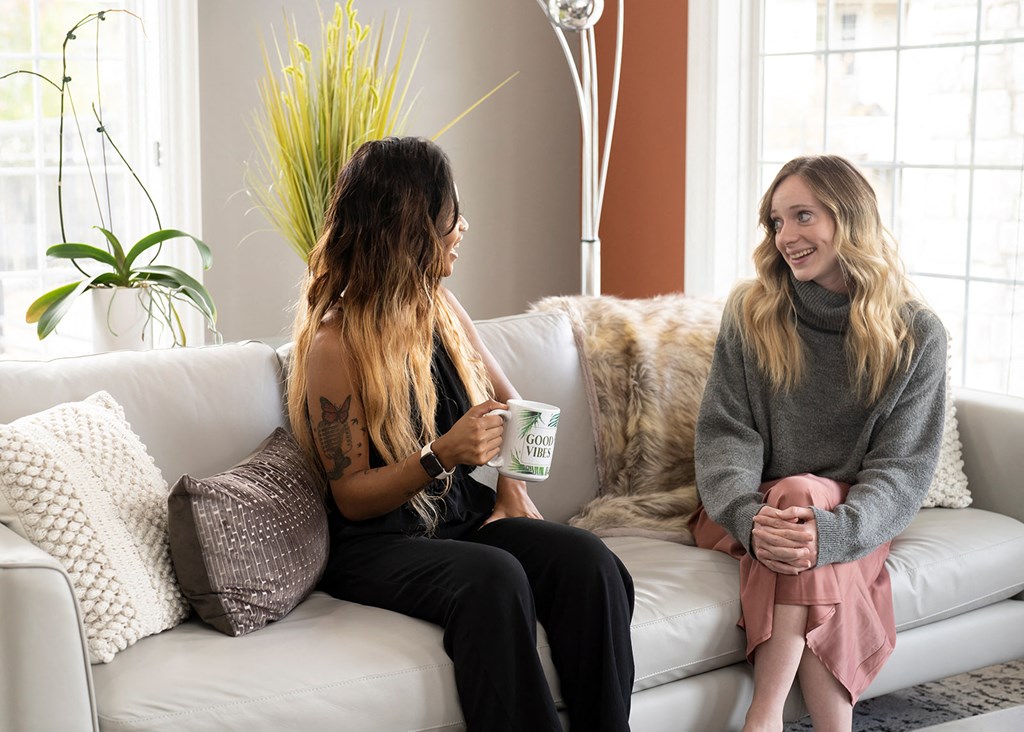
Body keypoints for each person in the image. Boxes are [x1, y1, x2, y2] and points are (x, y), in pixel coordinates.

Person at [287, 136, 635, 732]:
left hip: (465, 523)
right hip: (378, 546)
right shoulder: (334, 345)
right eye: (451, 217)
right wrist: (439, 455)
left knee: (590, 562)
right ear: (410, 230)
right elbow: (350, 496)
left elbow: (517, 406)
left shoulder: (441, 306)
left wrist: (510, 493)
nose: (463, 227)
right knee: (494, 579)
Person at [691, 155, 948, 732]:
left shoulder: (916, 333)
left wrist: (838, 533)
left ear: (849, 218)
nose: (786, 237)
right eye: (776, 222)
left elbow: (902, 471)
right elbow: (725, 434)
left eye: (802, 216)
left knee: (804, 505)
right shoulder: (752, 312)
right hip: (746, 507)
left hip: (852, 511)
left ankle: (764, 718)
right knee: (797, 501)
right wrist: (748, 517)